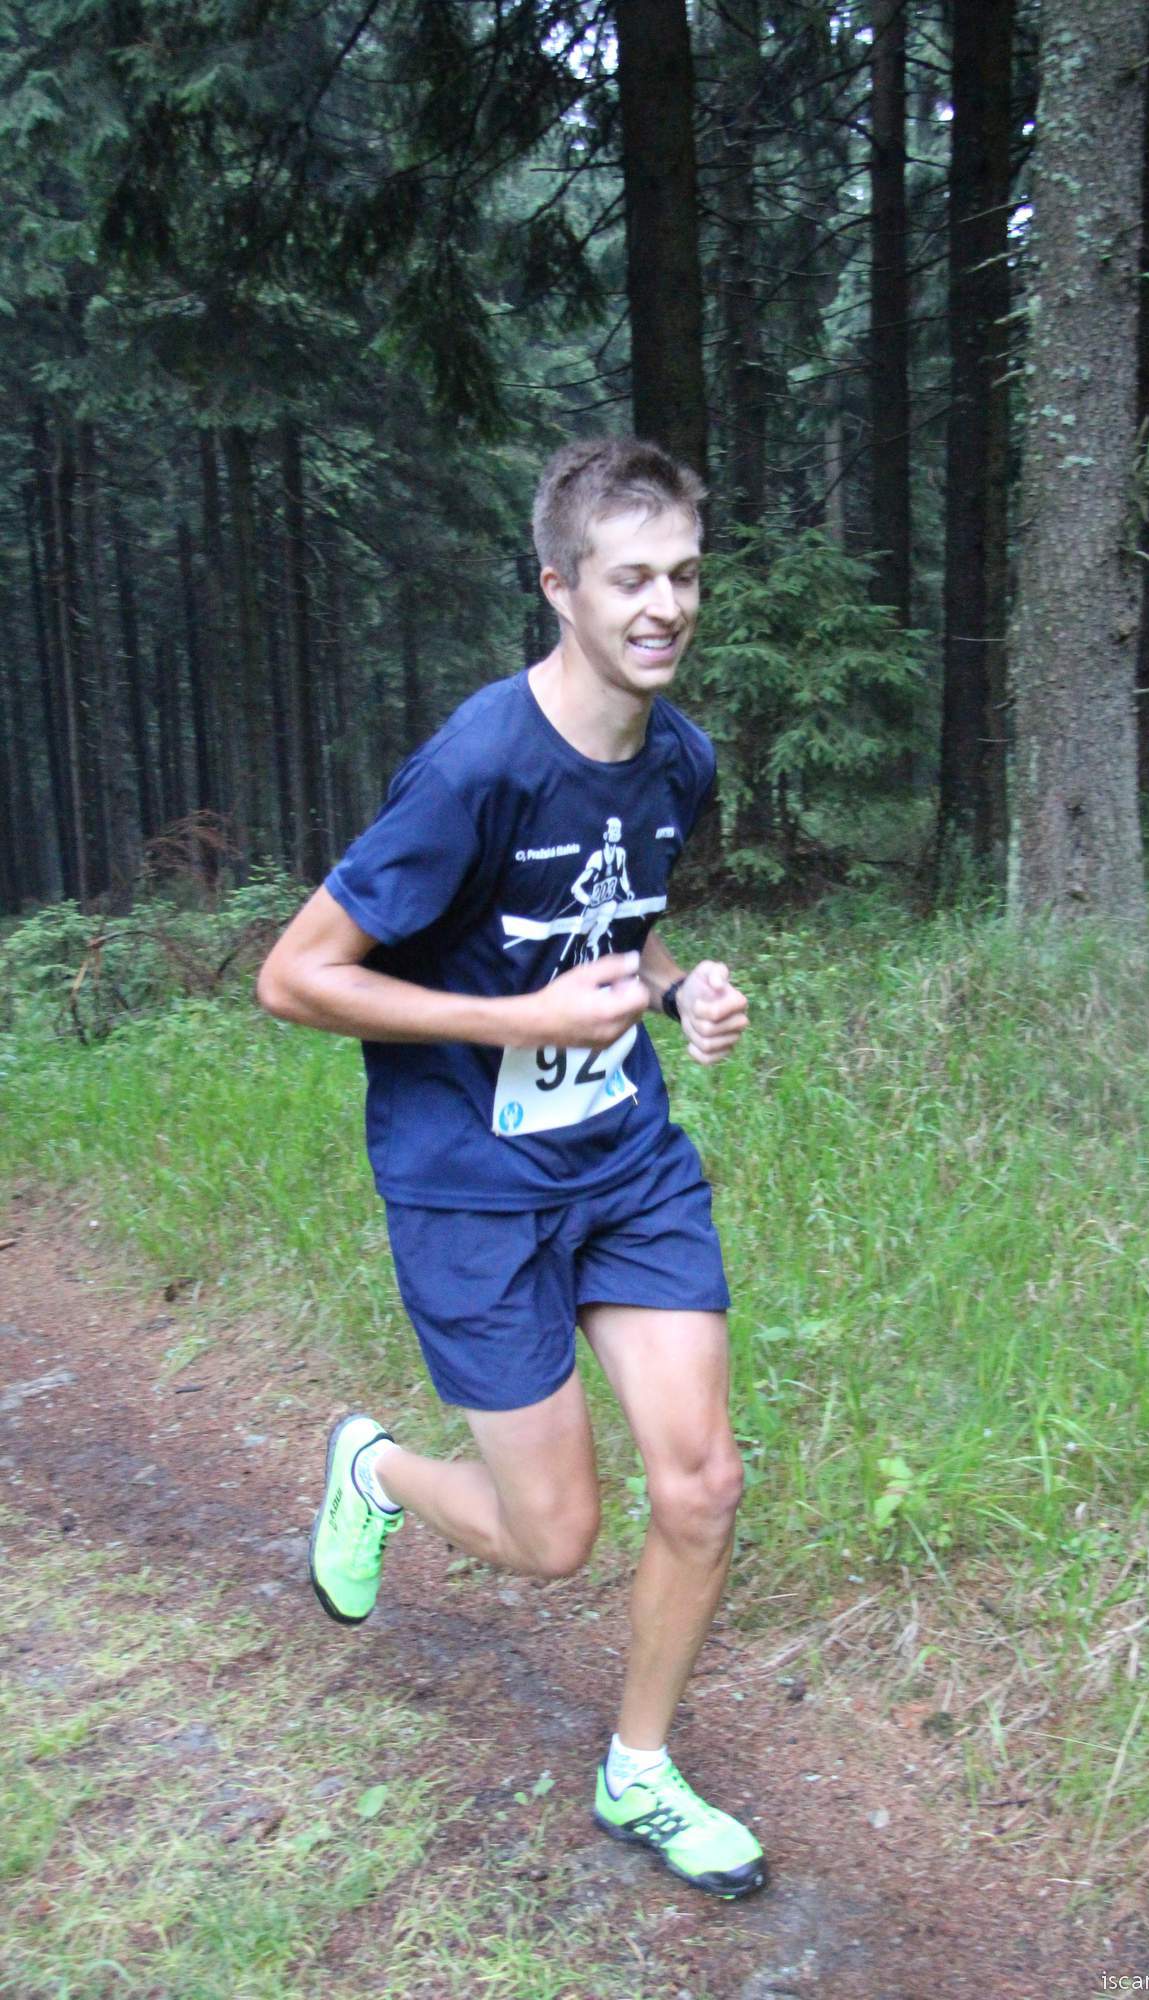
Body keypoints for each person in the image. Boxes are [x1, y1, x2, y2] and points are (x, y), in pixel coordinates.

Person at [256, 436, 765, 1899]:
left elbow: (620, 928)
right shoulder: (475, 766)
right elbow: (294, 979)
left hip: (624, 1163)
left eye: (683, 576)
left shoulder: (678, 757)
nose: (664, 607)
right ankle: (376, 1470)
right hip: (468, 1184)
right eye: (630, 579)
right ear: (559, 587)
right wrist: (520, 1021)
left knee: (703, 1483)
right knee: (552, 1537)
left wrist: (676, 990)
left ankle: (639, 1773)